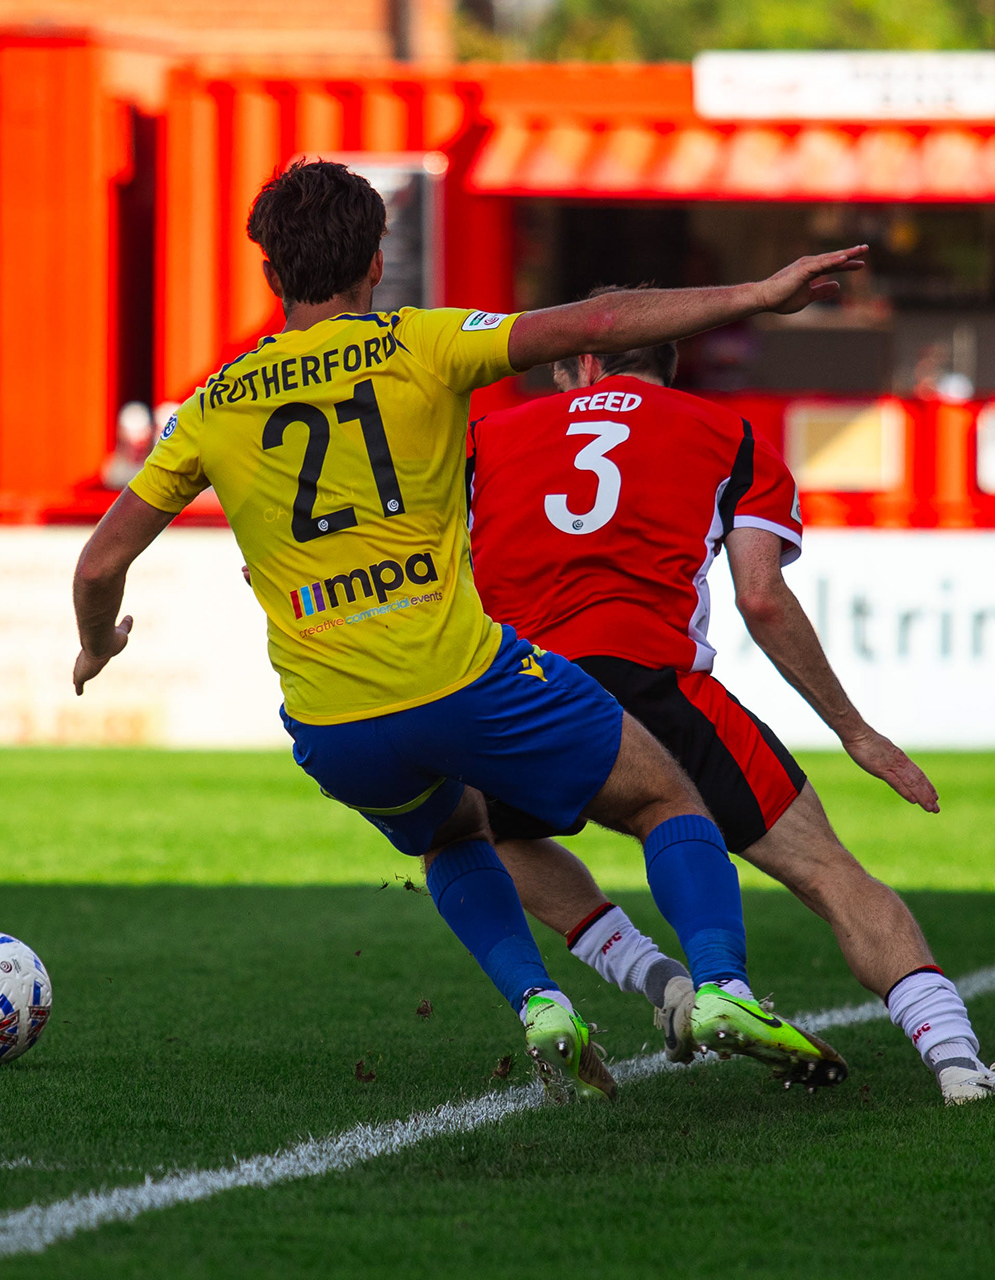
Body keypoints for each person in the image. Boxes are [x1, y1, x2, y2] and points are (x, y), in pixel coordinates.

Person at [71, 159, 866, 1101]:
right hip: (458, 673)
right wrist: (760, 293)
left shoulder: (212, 405)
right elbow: (600, 326)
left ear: (271, 275)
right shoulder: (422, 342)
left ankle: (540, 1002)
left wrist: (95, 643)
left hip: (331, 719)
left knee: (453, 838)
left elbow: (98, 563)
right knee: (664, 796)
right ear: (376, 261)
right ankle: (723, 986)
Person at [464, 323, 995, 1104]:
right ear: (667, 363)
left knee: (475, 836)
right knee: (830, 873)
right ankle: (955, 1061)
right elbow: (762, 598)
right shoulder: (729, 434)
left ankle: (653, 977)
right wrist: (855, 731)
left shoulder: (490, 434)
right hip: (661, 689)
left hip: (527, 688)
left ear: (586, 362)